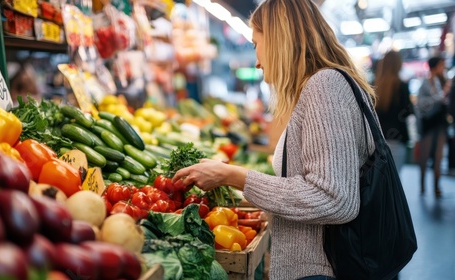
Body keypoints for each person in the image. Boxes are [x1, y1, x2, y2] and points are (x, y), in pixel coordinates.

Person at [172, 0, 377, 279]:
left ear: (280, 40)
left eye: (256, 43)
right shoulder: (326, 86)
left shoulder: (324, 86)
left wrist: (234, 175)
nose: (256, 60)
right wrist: (274, 212)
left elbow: (333, 198)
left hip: (319, 271)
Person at [374, 50, 415, 173]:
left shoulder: (374, 86)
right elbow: (408, 111)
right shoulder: (401, 86)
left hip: (377, 140)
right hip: (397, 137)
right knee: (395, 181)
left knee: (380, 181)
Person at [416, 56, 450, 197]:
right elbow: (422, 105)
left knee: (438, 155)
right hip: (429, 123)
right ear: (435, 66)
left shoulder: (443, 81)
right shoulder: (426, 83)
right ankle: (423, 184)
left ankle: (436, 185)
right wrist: (442, 96)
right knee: (426, 154)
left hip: (440, 123)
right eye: (441, 65)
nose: (443, 68)